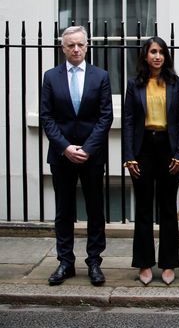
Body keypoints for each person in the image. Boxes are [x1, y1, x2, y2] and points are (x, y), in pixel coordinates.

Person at [40, 25, 113, 286]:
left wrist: (87, 149)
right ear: (63, 48)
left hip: (92, 156)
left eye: (80, 44)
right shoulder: (51, 77)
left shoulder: (100, 76)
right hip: (62, 155)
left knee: (95, 209)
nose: (76, 49)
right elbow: (46, 117)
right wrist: (66, 147)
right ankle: (65, 263)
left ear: (87, 45)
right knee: (64, 210)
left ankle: (94, 262)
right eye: (70, 45)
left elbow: (106, 116)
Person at [122, 37, 179, 286]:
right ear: (145, 56)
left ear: (166, 56)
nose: (157, 56)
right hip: (142, 150)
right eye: (153, 52)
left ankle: (169, 263)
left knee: (168, 208)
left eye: (161, 52)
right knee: (143, 208)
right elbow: (128, 121)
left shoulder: (176, 84)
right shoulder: (134, 85)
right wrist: (129, 156)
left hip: (168, 148)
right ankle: (144, 263)